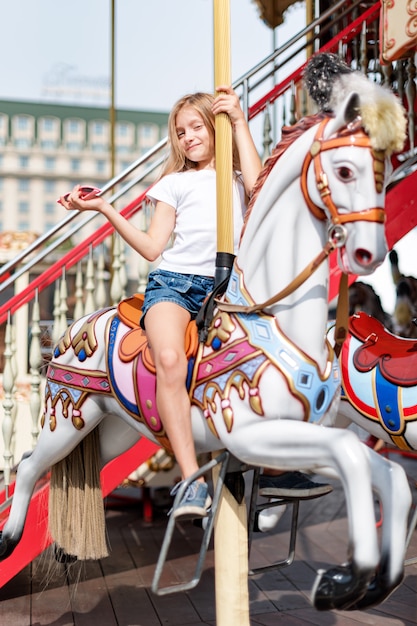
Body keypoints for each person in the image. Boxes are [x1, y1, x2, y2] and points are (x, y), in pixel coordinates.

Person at [60, 86, 331, 519]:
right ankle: (190, 480)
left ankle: (276, 468)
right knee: (168, 358)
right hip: (174, 287)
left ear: (215, 128)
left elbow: (262, 187)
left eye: (196, 127)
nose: (187, 138)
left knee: (265, 364)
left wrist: (239, 120)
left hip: (228, 292)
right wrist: (107, 210)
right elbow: (152, 248)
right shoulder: (174, 183)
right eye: (180, 132)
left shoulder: (241, 181)